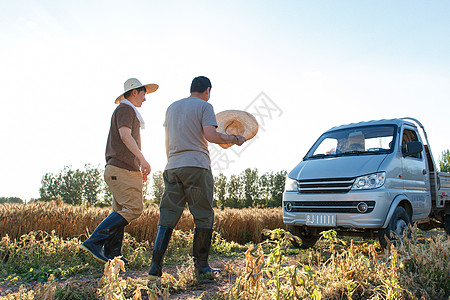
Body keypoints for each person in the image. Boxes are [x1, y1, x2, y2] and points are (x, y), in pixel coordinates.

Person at [148, 76, 246, 279]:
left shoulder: (172, 107)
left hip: (172, 166)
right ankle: (201, 267)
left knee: (167, 216)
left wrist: (172, 161)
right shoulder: (204, 107)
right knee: (203, 215)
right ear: (207, 90)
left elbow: (166, 141)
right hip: (196, 166)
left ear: (191, 88)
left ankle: (155, 268)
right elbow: (211, 135)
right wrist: (234, 139)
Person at [80, 78, 158, 264]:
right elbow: (125, 135)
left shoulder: (125, 110)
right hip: (121, 168)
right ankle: (94, 241)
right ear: (134, 92)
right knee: (134, 208)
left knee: (121, 210)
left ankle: (113, 254)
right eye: (143, 94)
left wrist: (138, 164)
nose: (145, 99)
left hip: (118, 168)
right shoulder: (125, 109)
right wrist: (143, 159)